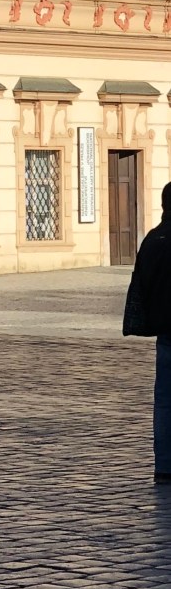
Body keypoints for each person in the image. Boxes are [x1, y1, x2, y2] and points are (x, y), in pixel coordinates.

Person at [124, 181, 171, 483]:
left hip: (165, 332)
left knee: (165, 402)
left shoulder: (153, 239)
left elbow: (140, 285)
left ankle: (164, 465)